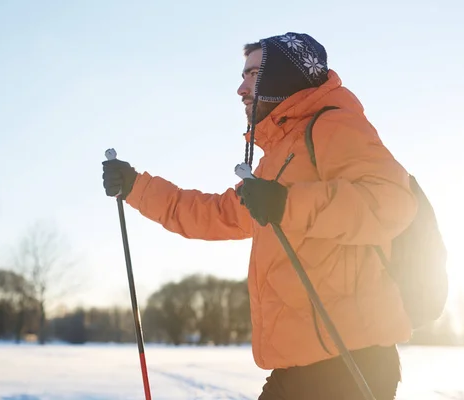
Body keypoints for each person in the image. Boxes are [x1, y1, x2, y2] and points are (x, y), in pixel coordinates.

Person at [102, 32, 417, 399]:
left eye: (252, 74)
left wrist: (286, 204)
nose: (241, 88)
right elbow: (214, 214)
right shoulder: (278, 158)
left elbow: (393, 200)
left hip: (350, 362)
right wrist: (137, 187)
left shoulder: (332, 125)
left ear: (282, 77)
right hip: (304, 365)